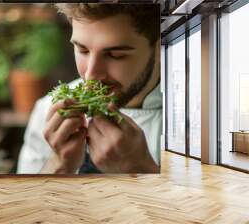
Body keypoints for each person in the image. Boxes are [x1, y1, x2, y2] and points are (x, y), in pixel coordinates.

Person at [17, 3, 161, 174]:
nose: (91, 75)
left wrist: (141, 170)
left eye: (115, 55)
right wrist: (60, 164)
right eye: (82, 50)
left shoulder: (191, 122)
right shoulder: (48, 111)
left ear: (161, 48)